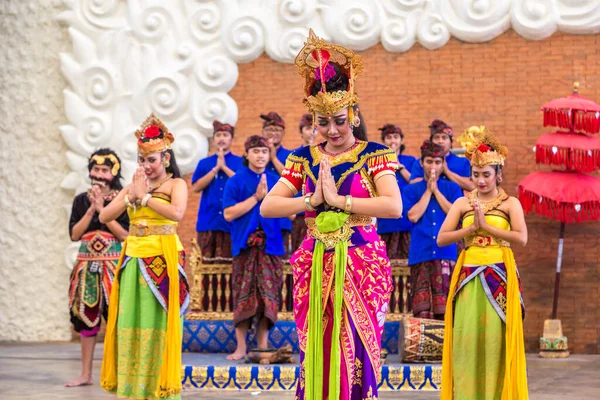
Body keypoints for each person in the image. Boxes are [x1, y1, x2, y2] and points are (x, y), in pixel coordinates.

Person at [260, 30, 402, 400]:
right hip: (317, 260)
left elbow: (392, 206)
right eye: (323, 123)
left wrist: (340, 201)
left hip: (360, 260)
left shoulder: (374, 155)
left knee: (356, 342)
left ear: (353, 115)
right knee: (317, 345)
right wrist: (310, 201)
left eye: (339, 120)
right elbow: (269, 206)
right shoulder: (302, 158)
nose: (332, 130)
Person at [99, 113, 190, 399]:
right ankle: (132, 389)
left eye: (151, 160)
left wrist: (146, 198)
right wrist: (131, 196)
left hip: (162, 259)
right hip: (134, 260)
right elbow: (104, 215)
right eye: (142, 160)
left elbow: (177, 214)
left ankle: (159, 388)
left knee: (159, 323)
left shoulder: (177, 185)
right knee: (131, 322)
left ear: (165, 158)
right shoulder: (133, 186)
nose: (146, 166)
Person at [438, 126, 528, 399]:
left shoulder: (510, 203)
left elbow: (521, 238)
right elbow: (442, 238)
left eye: (486, 175)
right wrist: (469, 230)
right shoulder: (461, 203)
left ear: (498, 175)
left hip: (499, 273)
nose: (480, 181)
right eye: (475, 175)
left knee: (495, 340)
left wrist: (487, 226)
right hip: (468, 275)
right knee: (466, 338)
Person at [66, 149, 129, 388]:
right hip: (86, 268)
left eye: (104, 170)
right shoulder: (81, 200)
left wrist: (103, 210)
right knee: (86, 319)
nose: (99, 175)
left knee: (117, 319)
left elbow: (124, 235)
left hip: (113, 268)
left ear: (113, 173)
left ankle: (119, 373)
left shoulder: (121, 200)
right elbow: (74, 234)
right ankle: (85, 374)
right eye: (95, 169)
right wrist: (92, 209)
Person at [222, 135, 286, 360]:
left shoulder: (277, 181)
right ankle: (240, 347)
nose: (260, 156)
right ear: (247, 154)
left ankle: (262, 345)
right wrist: (256, 198)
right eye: (256, 151)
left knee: (268, 298)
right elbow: (229, 214)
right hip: (245, 247)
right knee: (243, 296)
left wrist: (270, 200)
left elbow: (292, 211)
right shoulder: (236, 181)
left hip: (271, 247)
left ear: (269, 156)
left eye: (264, 152)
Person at [403, 140, 463, 319]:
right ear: (421, 163)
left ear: (444, 164)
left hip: (446, 254)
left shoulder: (452, 188)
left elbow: (456, 214)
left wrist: (437, 191)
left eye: (438, 162)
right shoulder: (411, 189)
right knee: (423, 311)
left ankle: (448, 347)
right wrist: (428, 191)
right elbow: (413, 216)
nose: (433, 166)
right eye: (429, 161)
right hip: (421, 254)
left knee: (448, 310)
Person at [191, 121, 242, 264]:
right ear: (213, 140)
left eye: (225, 135)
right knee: (205, 265)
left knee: (230, 266)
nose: (221, 138)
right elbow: (195, 187)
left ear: (231, 139)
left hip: (232, 223)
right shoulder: (204, 163)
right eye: (218, 135)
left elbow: (243, 184)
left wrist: (224, 168)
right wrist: (215, 169)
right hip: (208, 221)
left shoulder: (241, 162)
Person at [377, 124, 417, 260]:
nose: (392, 140)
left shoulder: (411, 161)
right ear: (383, 141)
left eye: (396, 137)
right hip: (387, 221)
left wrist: (399, 166)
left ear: (402, 140)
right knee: (386, 260)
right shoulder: (378, 162)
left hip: (408, 220)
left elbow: (415, 183)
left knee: (409, 260)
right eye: (388, 137)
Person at [409, 119, 474, 192]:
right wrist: (434, 175)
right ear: (431, 141)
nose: (440, 141)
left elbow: (472, 186)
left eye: (444, 137)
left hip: (454, 202)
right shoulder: (421, 162)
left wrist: (447, 172)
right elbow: (412, 183)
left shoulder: (462, 162)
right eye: (436, 137)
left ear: (451, 141)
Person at [261, 111, 293, 256]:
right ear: (262, 132)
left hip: (282, 219)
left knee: (282, 262)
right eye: (269, 129)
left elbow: (292, 178)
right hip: (258, 220)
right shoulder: (255, 153)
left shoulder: (291, 156)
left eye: (277, 130)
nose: (273, 133)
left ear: (283, 133)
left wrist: (273, 158)